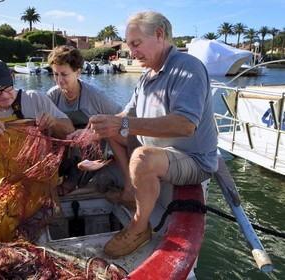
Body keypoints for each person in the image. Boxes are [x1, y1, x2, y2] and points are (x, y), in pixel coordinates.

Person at [89, 11, 218, 258]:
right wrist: (97, 128)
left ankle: (139, 227)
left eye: (136, 44)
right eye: (130, 46)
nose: (132, 52)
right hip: (159, 151)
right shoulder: (147, 77)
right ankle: (131, 193)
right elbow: (126, 116)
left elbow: (185, 125)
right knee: (110, 133)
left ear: (159, 35)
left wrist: (124, 124)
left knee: (142, 158)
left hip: (192, 158)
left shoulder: (187, 68)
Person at [0, 59, 75, 246]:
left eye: (8, 87)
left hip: (36, 179)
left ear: (13, 78)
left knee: (1, 222)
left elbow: (69, 130)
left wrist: (53, 122)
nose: (4, 95)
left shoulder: (35, 99)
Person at [46, 45, 122, 195]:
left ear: (78, 72)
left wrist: (96, 132)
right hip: (64, 150)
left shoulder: (96, 96)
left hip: (92, 153)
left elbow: (121, 115)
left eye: (64, 74)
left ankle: (72, 183)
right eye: (55, 74)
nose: (59, 80)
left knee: (92, 140)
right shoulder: (52, 96)